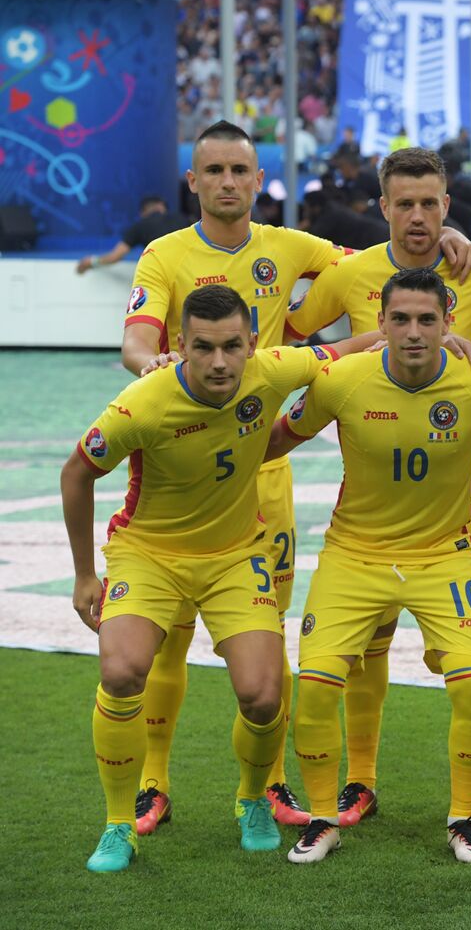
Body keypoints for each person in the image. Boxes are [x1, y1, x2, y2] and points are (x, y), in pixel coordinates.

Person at [119, 120, 471, 834]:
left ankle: (271, 782)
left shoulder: (290, 247)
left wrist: (444, 240)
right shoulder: (163, 255)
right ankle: (151, 782)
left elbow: (374, 263)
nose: (229, 182)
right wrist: (151, 366)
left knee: (267, 635)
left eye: (241, 171)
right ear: (193, 182)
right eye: (215, 170)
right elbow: (137, 336)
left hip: (261, 475)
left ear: (259, 182)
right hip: (182, 467)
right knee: (166, 635)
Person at [286, 147, 471, 827]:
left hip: (460, 498)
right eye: (403, 203)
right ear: (381, 207)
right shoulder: (350, 275)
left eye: (429, 203)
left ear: (449, 206)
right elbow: (282, 341)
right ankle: (360, 780)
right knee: (365, 645)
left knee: (470, 653)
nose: (417, 215)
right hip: (370, 495)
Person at [59, 285, 371, 872]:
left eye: (233, 346)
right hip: (148, 554)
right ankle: (118, 824)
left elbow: (354, 346)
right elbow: (77, 473)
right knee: (122, 671)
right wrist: (82, 575)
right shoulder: (143, 403)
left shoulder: (272, 370)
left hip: (235, 556)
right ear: (180, 345)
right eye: (204, 347)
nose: (221, 362)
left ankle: (252, 800)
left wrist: (436, 338)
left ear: (253, 343)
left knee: (262, 694)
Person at [75, 197, 188, 274]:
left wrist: (91, 262)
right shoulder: (184, 219)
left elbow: (115, 256)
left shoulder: (140, 225)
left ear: (142, 212)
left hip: (163, 276)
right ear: (161, 207)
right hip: (192, 274)